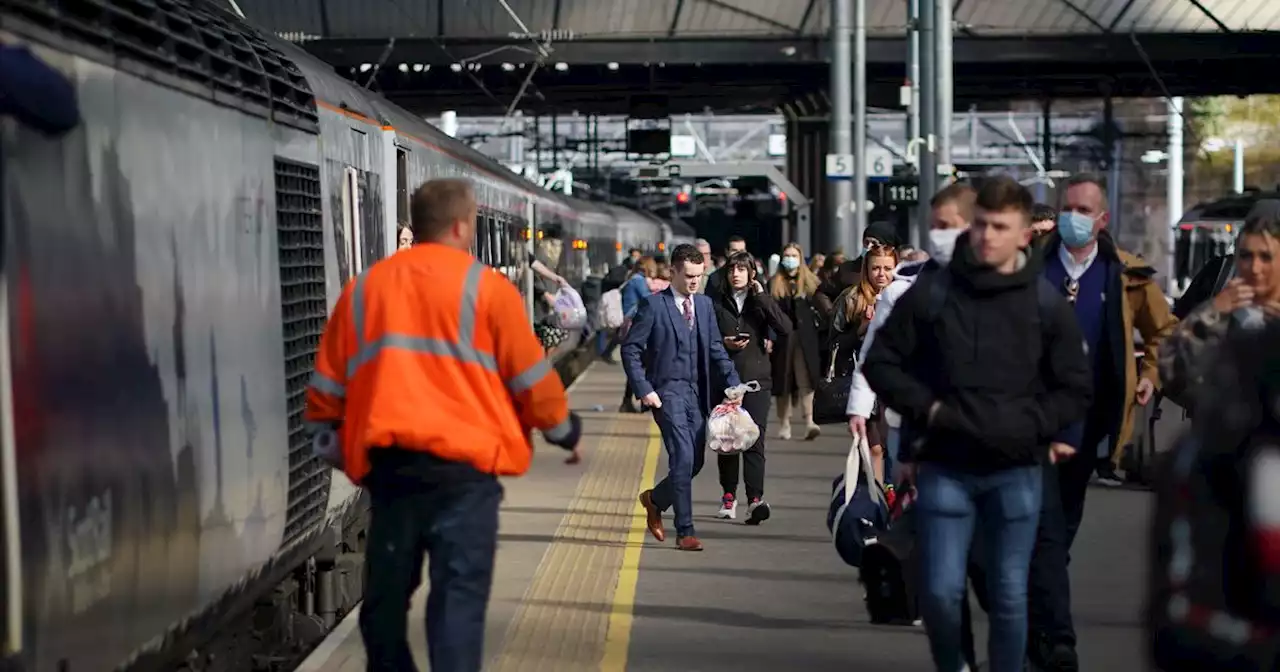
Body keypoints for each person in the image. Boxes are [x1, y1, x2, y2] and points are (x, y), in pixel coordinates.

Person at [304, 178, 583, 672]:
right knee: (457, 608)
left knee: (384, 608)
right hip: (466, 482)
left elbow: (327, 386)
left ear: (418, 223)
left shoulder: (365, 289)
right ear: (462, 226)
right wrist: (564, 430)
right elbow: (534, 382)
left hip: (394, 478)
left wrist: (334, 444)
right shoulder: (489, 290)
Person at [863, 176, 1093, 672]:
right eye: (981, 225)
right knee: (941, 593)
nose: (987, 236)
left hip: (1017, 469)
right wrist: (931, 411)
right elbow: (881, 362)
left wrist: (1037, 423)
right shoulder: (935, 293)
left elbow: (1075, 386)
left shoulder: (1043, 302)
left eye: (1000, 227)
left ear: (1024, 235)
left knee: (1010, 594)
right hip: (947, 467)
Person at [1024, 173, 1178, 669]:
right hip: (1031, 424)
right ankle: (1056, 642)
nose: (1074, 218)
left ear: (1102, 219)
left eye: (1085, 210)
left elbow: (1165, 332)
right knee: (1042, 533)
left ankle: (1039, 631)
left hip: (1088, 428)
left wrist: (1149, 373)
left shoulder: (1126, 275)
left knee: (1057, 534)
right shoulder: (1030, 267)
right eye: (1069, 207)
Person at [848, 183, 976, 485]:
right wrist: (859, 408)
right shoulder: (907, 289)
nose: (938, 235)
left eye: (946, 226)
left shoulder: (1008, 283)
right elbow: (875, 353)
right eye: (934, 226)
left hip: (991, 432)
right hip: (918, 424)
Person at [626, 244, 742, 551]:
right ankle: (686, 530)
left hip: (697, 393)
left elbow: (716, 348)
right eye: (689, 275)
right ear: (672, 272)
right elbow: (631, 349)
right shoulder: (653, 306)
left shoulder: (703, 306)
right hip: (666, 394)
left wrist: (734, 384)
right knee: (683, 456)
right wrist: (644, 389)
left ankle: (655, 499)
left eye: (699, 276)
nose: (694, 282)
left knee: (694, 462)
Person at [709, 251, 793, 524]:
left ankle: (755, 500)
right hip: (725, 381)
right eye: (732, 269)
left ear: (751, 274)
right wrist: (725, 342)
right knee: (727, 441)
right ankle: (728, 497)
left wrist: (763, 297)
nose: (736, 274)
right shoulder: (715, 301)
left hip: (757, 382)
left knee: (754, 440)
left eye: (742, 269)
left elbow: (785, 329)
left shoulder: (760, 302)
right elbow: (706, 337)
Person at [832, 243, 898, 483]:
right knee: (875, 446)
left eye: (887, 268)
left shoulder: (904, 296)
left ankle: (894, 494)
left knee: (896, 444)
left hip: (897, 380)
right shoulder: (852, 298)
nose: (881, 274)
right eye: (875, 268)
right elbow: (834, 342)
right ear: (866, 270)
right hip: (864, 378)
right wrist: (861, 329)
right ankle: (878, 496)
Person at [769, 242, 833, 440]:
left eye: (794, 255)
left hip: (807, 338)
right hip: (783, 339)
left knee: (807, 380)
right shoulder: (774, 283)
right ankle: (784, 423)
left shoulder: (811, 282)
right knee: (784, 382)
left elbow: (824, 308)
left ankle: (809, 421)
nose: (790, 259)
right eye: (787, 255)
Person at [617, 257, 660, 412]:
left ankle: (632, 401)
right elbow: (648, 299)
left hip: (631, 324)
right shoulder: (638, 281)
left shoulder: (632, 278)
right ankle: (638, 400)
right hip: (636, 325)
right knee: (642, 363)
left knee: (640, 364)